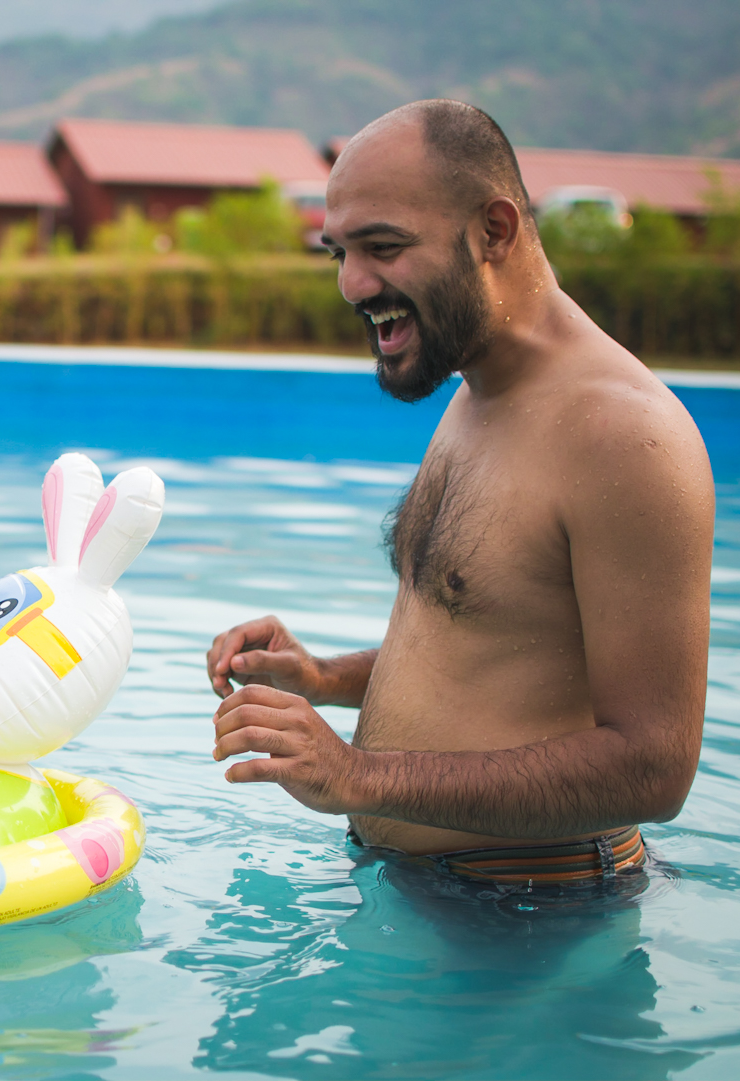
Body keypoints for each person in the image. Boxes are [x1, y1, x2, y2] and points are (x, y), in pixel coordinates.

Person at [207, 100, 713, 884]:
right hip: (434, 905)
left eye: (383, 246)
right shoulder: (473, 385)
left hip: (534, 932)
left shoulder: (626, 437)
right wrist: (323, 678)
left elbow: (655, 768)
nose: (351, 283)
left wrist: (356, 777)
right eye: (337, 250)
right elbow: (491, 642)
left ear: (495, 232)